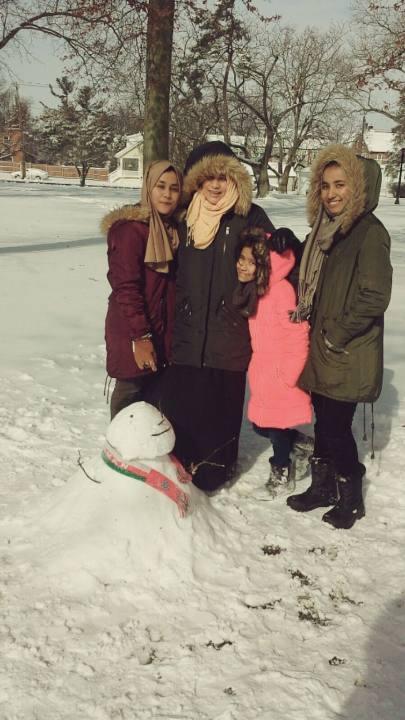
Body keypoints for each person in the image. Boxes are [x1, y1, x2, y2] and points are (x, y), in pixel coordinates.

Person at [145, 141, 277, 493]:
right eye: (208, 178)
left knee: (220, 409)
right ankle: (182, 464)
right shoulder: (185, 217)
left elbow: (273, 268)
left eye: (223, 177)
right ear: (197, 182)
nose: (216, 185)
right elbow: (150, 227)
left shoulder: (250, 216)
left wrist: (278, 251)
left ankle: (218, 468)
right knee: (185, 408)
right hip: (188, 331)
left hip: (228, 332)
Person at [286, 144, 392, 529]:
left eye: (340, 184)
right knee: (323, 421)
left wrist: (336, 334)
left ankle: (351, 499)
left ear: (358, 188)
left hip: (347, 349)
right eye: (325, 185)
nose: (331, 193)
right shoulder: (328, 232)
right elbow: (320, 279)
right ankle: (323, 488)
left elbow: (375, 295)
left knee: (335, 426)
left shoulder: (369, 233)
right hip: (324, 345)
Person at [234, 227, 312, 497]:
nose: (243, 266)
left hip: (280, 370)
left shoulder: (281, 291)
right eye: (241, 259)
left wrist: (289, 374)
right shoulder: (256, 290)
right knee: (260, 424)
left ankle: (280, 474)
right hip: (264, 370)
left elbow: (298, 333)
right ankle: (302, 444)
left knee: (277, 427)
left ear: (265, 265)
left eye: (251, 262)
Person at [102, 160, 182, 419]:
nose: (167, 195)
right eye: (160, 186)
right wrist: (141, 337)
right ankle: (121, 450)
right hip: (132, 329)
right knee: (130, 390)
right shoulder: (130, 230)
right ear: (148, 186)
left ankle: (146, 454)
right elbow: (126, 288)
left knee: (152, 399)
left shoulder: (172, 231)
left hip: (161, 329)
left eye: (174, 188)